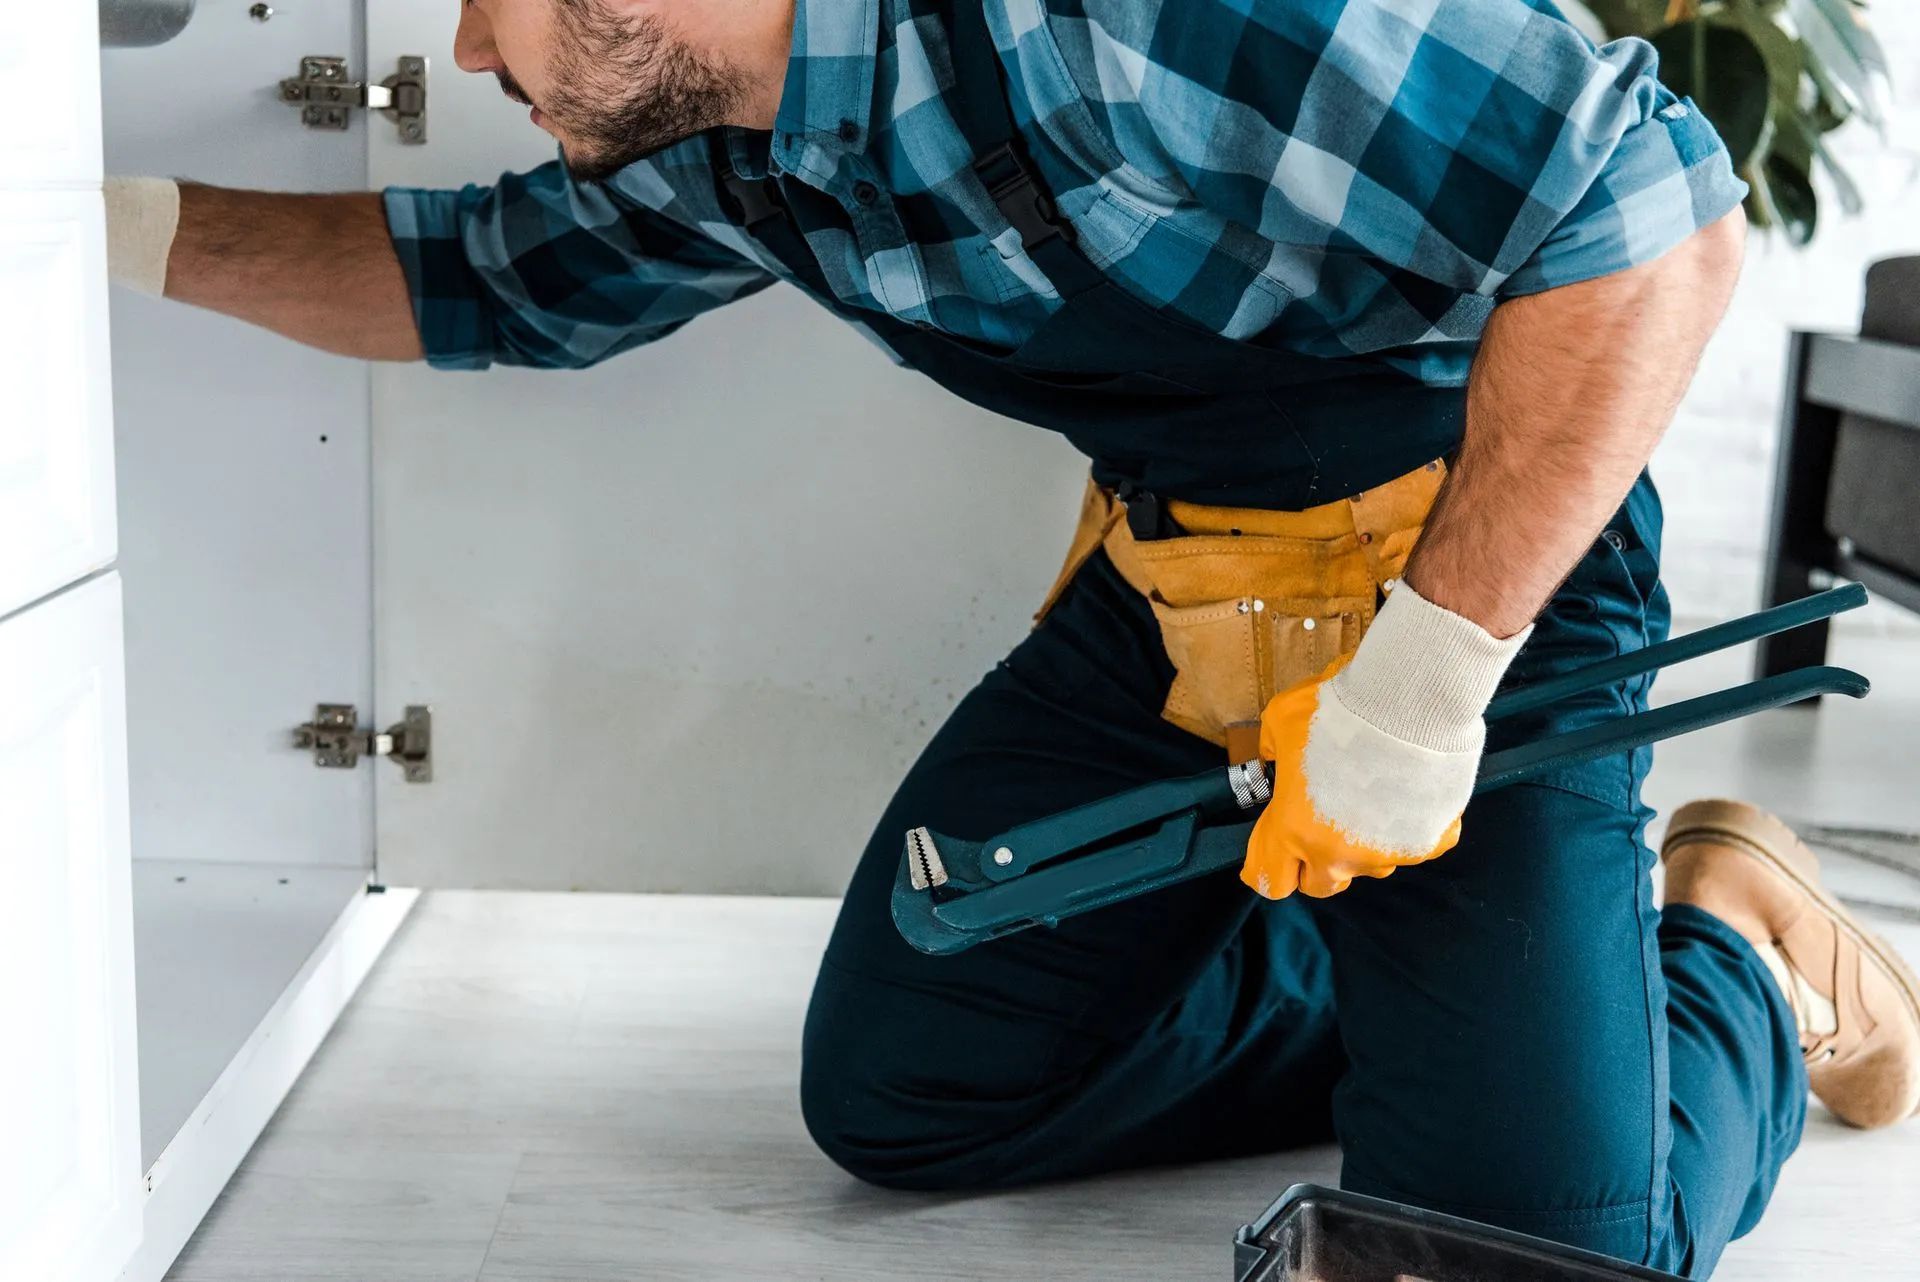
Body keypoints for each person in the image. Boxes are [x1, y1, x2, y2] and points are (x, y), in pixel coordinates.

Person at [103, 0, 1919, 1274]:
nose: (472, 52)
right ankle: (1458, 988)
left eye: (489, 2)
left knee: (1514, 1249)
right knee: (908, 1092)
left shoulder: (1106, 20)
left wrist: (1429, 681)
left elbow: (1654, 212)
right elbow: (482, 280)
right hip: (1182, 601)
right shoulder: (731, 149)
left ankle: (1730, 955)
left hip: (1469, 597)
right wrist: (93, 230)